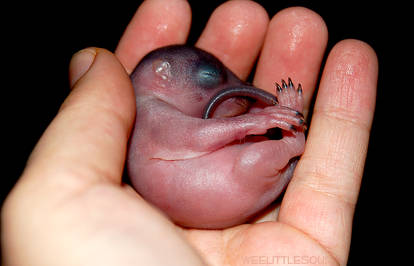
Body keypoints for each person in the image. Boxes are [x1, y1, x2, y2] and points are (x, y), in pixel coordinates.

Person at [1, 0, 377, 265]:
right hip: (225, 182)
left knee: (248, 157)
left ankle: (289, 141)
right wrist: (257, 122)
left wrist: (255, 120)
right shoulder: (148, 113)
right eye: (212, 79)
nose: (229, 90)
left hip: (218, 182)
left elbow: (205, 137)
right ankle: (292, 139)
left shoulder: (149, 117)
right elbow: (200, 138)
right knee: (250, 159)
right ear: (162, 76)